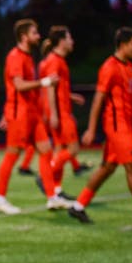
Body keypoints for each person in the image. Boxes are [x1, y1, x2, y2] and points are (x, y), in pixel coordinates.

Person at [68, 27, 132, 226]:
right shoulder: (109, 67)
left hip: (125, 126)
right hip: (117, 128)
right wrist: (90, 128)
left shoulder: (130, 68)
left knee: (107, 168)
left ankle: (78, 206)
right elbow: (98, 99)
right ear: (122, 45)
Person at [0, 18, 70, 214]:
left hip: (31, 112)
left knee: (46, 150)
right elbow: (18, 86)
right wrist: (44, 83)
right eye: (35, 33)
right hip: (20, 114)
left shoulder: (27, 56)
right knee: (12, 154)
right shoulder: (15, 56)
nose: (38, 36)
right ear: (24, 36)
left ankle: (52, 198)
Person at [36, 26, 86, 199]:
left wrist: (71, 97)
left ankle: (56, 190)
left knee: (61, 150)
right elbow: (49, 87)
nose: (72, 41)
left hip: (62, 110)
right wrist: (54, 115)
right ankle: (46, 175)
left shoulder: (58, 60)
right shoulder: (54, 61)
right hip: (60, 113)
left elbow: (57, 88)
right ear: (62, 41)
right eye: (69, 38)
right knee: (73, 149)